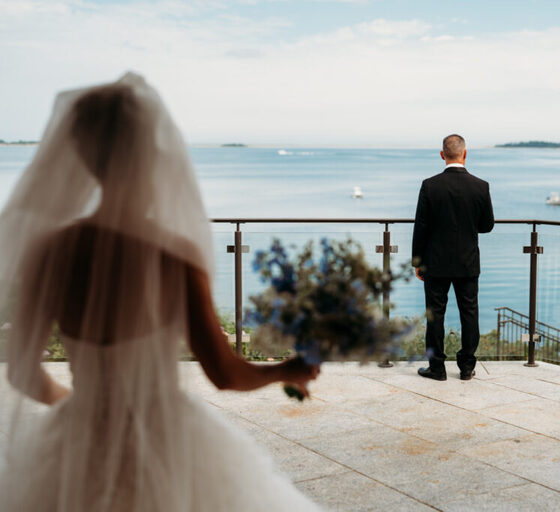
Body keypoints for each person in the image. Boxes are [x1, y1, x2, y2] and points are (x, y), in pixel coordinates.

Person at [0, 73, 322, 511]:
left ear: (84, 156)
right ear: (152, 155)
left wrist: (85, 415)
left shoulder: (49, 250)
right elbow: (225, 374)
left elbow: (21, 370)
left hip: (77, 440)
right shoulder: (172, 255)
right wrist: (284, 370)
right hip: (166, 442)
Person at [411, 134, 494, 381]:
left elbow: (421, 227)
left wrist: (417, 262)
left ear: (442, 155)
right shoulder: (481, 186)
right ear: (465, 154)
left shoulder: (429, 185)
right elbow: (487, 225)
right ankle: (466, 367)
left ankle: (437, 367)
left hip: (435, 262)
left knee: (435, 315)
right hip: (468, 262)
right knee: (469, 314)